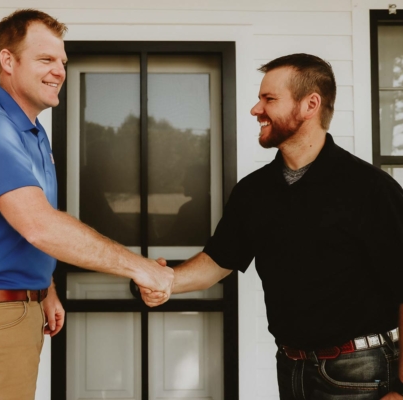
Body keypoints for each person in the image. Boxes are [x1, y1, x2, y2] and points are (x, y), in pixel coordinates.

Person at [0, 9, 173, 400]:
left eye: (62, 61)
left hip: (14, 309)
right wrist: (141, 268)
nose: (59, 70)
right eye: (45, 59)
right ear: (8, 61)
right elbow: (38, 224)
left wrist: (45, 288)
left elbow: (19, 229)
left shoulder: (31, 132)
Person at [142, 53, 403, 399]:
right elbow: (219, 261)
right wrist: (166, 282)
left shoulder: (371, 189)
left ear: (310, 104)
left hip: (361, 370)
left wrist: (402, 388)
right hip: (291, 367)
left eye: (269, 99)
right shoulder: (253, 191)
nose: (255, 109)